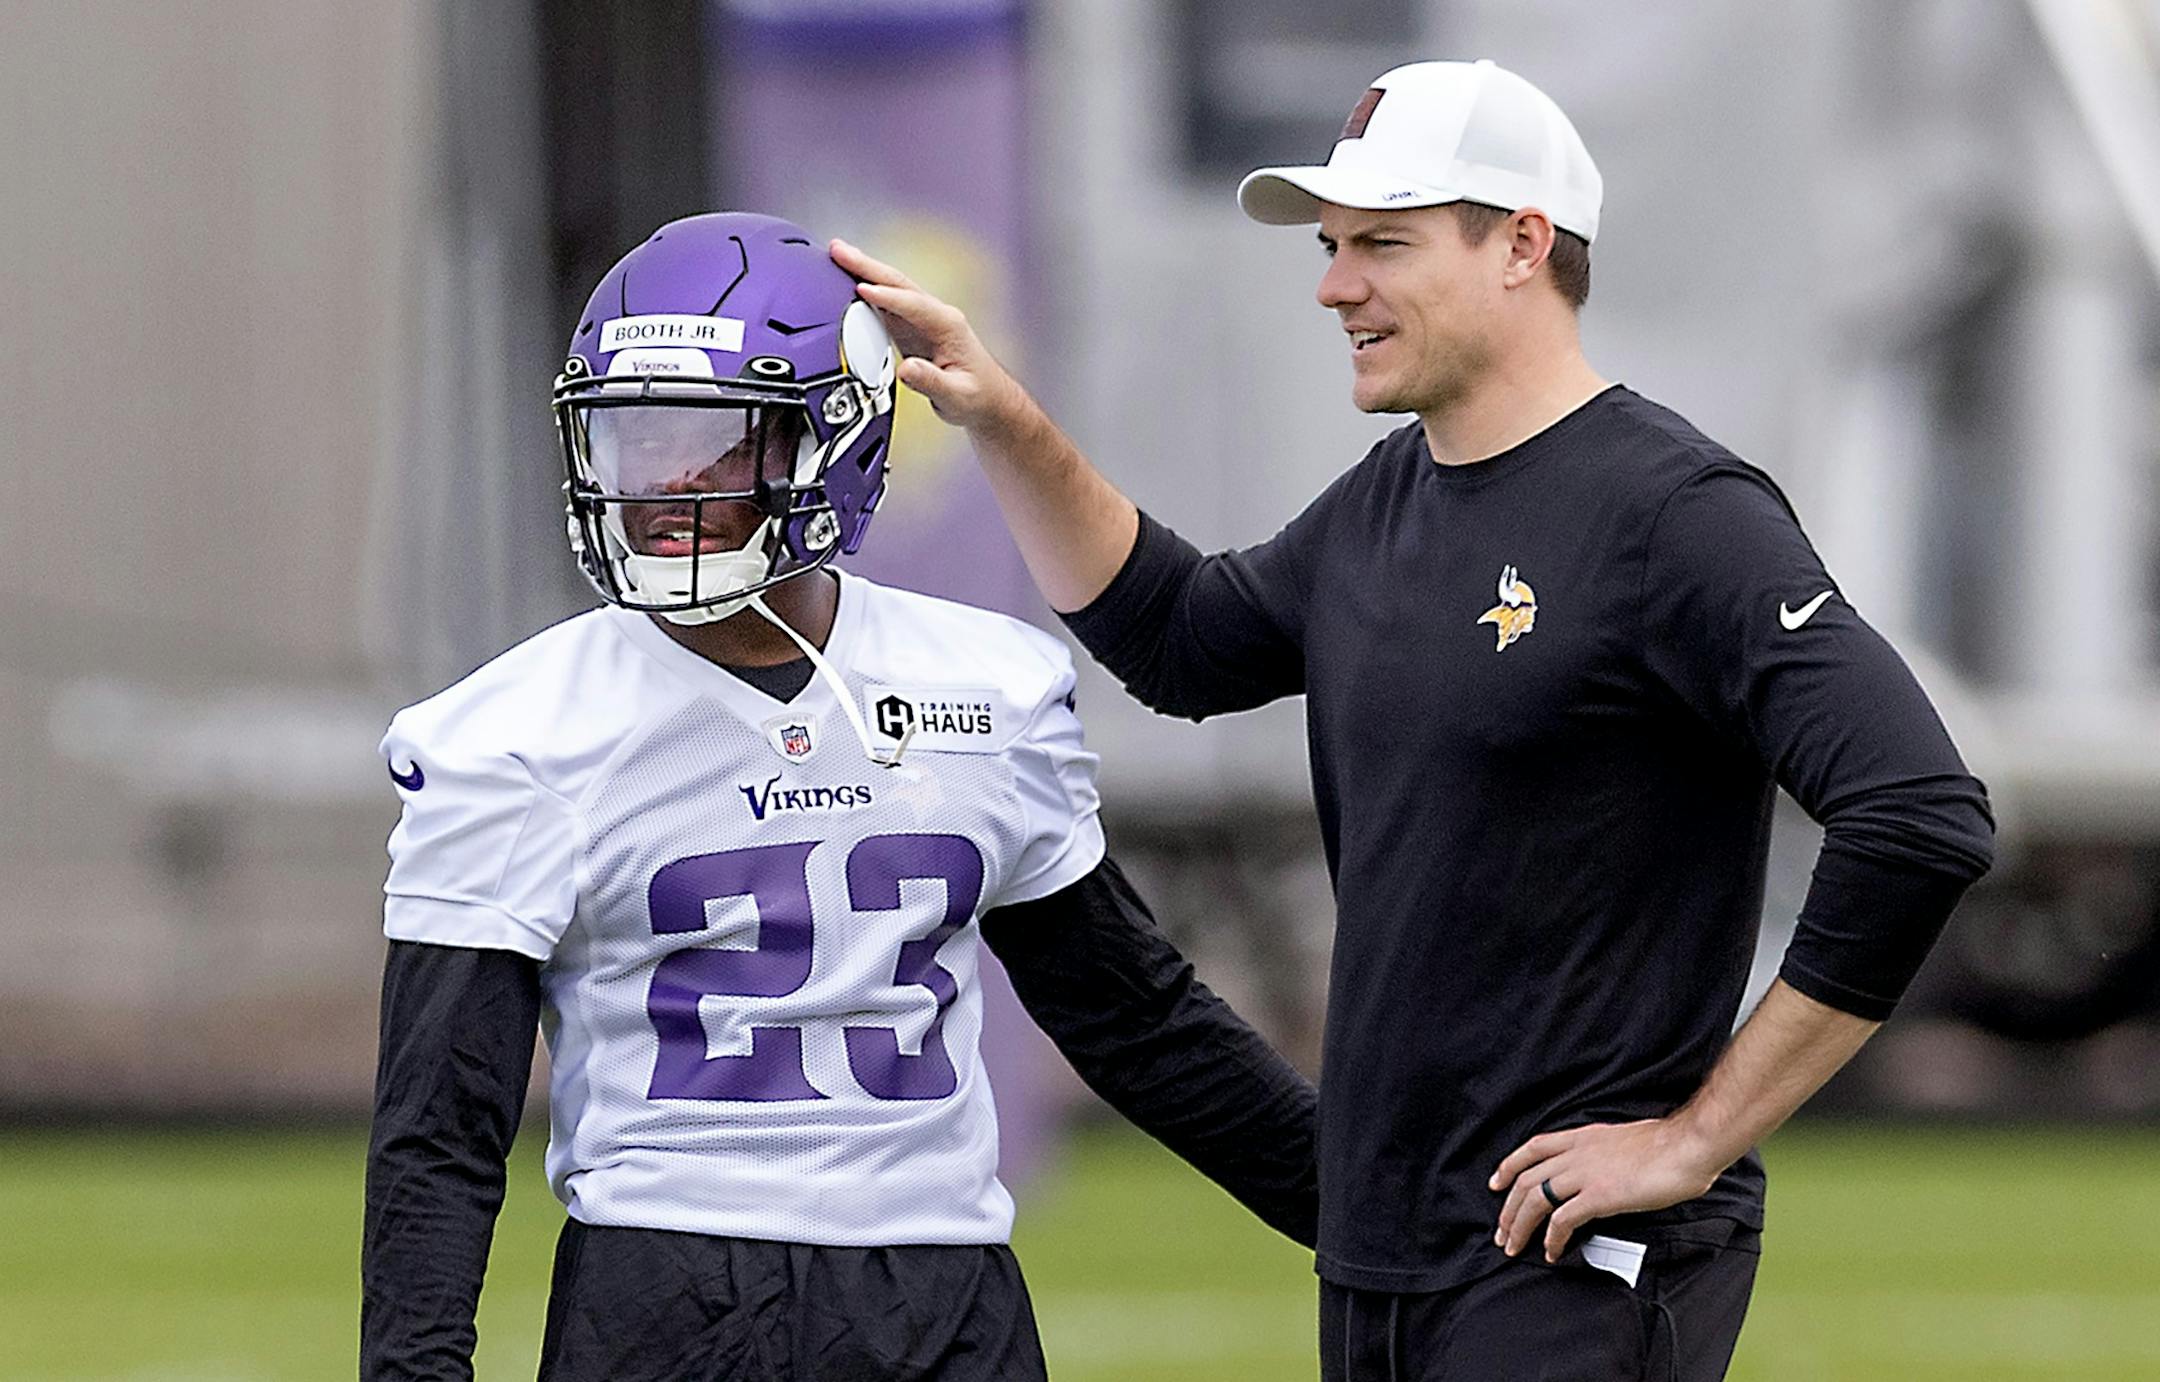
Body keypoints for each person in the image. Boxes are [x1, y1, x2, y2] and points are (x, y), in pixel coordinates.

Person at [834, 58, 1996, 1380]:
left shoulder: (1675, 512)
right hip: (1380, 1251)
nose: (1335, 285)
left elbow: (1920, 813)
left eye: (1383, 243)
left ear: (1523, 245)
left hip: (1574, 1260)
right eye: (1332, 247)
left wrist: (1694, 1137)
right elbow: (1177, 638)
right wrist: (1007, 419)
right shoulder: (1385, 502)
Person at [359, 212, 1318, 1382]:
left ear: (840, 440)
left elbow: (1135, 1016)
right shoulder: (513, 732)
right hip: (668, 1293)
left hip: (946, 1288)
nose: (666, 486)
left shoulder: (986, 687)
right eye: (635, 439)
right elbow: (440, 1128)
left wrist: (1378, 1215)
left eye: (717, 442)